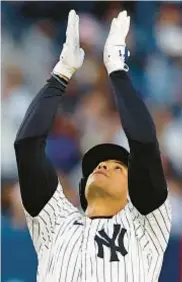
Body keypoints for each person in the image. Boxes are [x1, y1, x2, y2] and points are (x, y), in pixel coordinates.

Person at [14, 10, 172, 282]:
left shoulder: (144, 226)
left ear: (132, 192)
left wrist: (117, 70)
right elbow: (27, 145)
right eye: (101, 164)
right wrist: (61, 73)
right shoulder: (57, 222)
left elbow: (144, 143)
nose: (104, 165)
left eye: (118, 168)